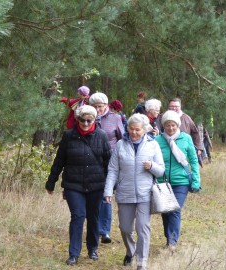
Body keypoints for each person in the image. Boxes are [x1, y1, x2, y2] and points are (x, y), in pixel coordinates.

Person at [45, 105, 111, 266]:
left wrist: (111, 186)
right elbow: (59, 160)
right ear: (77, 119)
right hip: (73, 184)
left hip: (96, 185)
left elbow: (108, 162)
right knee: (78, 216)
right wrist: (51, 182)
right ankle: (73, 253)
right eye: (83, 120)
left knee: (93, 217)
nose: (86, 123)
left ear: (95, 120)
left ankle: (92, 249)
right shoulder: (68, 136)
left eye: (89, 120)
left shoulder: (101, 136)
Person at [104, 113, 165, 270]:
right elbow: (112, 170)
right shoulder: (120, 145)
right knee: (125, 228)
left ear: (144, 130)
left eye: (137, 129)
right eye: (131, 129)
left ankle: (141, 263)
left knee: (143, 228)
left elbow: (161, 171)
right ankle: (131, 251)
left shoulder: (153, 145)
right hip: (125, 192)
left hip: (145, 194)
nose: (134, 132)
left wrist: (151, 166)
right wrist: (108, 191)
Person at [155, 110, 201, 253]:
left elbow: (193, 161)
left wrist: (195, 181)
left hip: (181, 181)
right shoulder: (157, 140)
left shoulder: (186, 138)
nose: (170, 128)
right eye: (167, 125)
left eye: (173, 125)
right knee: (165, 211)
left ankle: (172, 241)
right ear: (164, 126)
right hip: (162, 181)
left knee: (174, 209)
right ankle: (169, 238)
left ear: (178, 125)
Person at [89, 93, 125, 244]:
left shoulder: (115, 118)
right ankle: (94, 228)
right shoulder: (87, 117)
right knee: (93, 197)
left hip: (109, 163)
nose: (98, 109)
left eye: (100, 106)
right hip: (90, 162)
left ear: (106, 105)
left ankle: (104, 231)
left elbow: (123, 139)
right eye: (95, 107)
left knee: (106, 196)